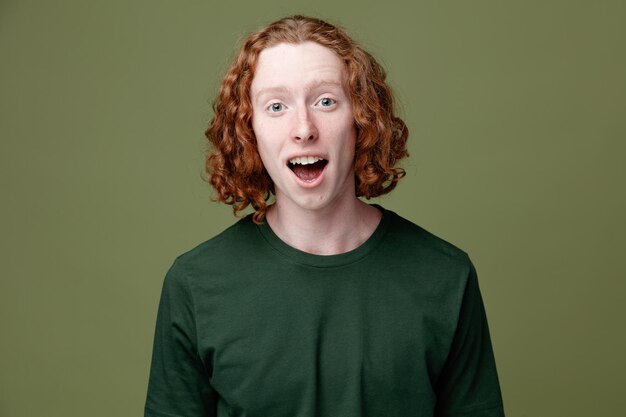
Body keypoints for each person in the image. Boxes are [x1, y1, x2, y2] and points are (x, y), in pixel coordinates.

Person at [145, 15, 505, 417]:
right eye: (276, 106)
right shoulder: (196, 284)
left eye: (326, 101)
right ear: (250, 131)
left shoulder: (445, 277)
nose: (303, 128)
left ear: (362, 120)